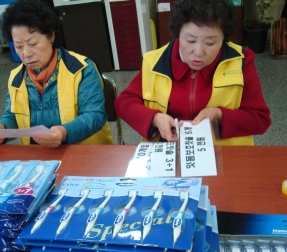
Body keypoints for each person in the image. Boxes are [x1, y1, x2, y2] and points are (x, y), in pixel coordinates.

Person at [114, 0, 271, 145]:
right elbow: (124, 103)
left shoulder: (241, 61)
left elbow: (260, 119)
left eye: (210, 43)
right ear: (178, 35)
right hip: (168, 152)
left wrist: (219, 115)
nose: (198, 52)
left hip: (223, 155)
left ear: (224, 40)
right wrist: (155, 118)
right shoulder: (155, 62)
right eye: (190, 40)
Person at [0, 0, 113, 148]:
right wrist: (2, 128)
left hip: (83, 152)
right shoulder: (16, 78)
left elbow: (95, 116)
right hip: (40, 156)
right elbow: (14, 115)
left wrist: (64, 132)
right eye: (18, 46)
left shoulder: (81, 69)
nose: (26, 53)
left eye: (33, 44)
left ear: (51, 36)